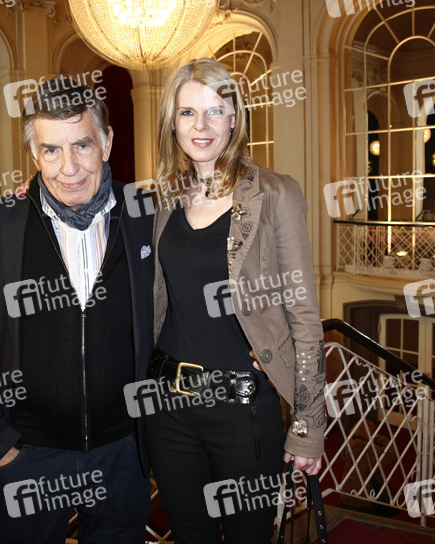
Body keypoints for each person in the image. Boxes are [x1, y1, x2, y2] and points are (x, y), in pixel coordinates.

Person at [0, 77, 154, 544]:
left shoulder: (147, 215)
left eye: (82, 145)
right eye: (51, 150)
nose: (69, 168)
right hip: (26, 455)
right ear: (34, 154)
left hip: (123, 452)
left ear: (106, 142)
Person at [145, 58, 326, 543]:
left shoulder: (274, 194)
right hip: (167, 406)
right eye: (188, 113)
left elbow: (304, 316)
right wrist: (37, 191)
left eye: (214, 111)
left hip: (242, 410)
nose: (201, 126)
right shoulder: (162, 198)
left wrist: (308, 425)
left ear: (234, 119)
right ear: (172, 123)